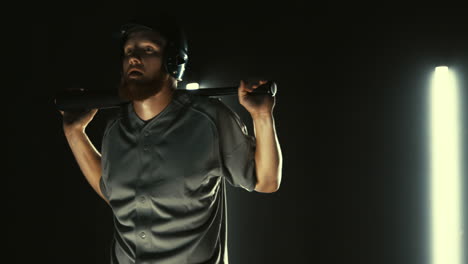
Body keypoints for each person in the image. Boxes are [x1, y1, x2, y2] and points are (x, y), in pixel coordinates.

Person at [58, 16, 282, 264]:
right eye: (128, 51)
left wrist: (261, 115)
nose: (133, 57)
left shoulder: (209, 120)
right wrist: (74, 133)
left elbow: (265, 180)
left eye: (148, 49)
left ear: (173, 61)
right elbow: (115, 194)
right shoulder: (115, 129)